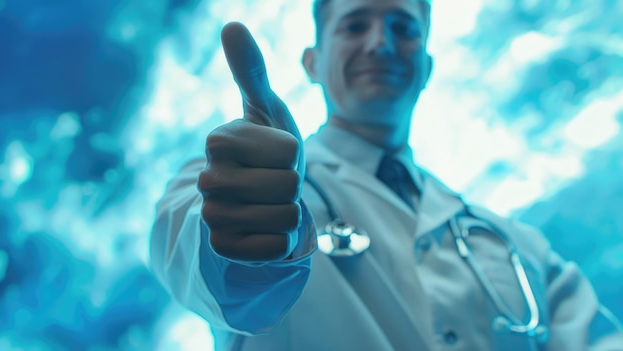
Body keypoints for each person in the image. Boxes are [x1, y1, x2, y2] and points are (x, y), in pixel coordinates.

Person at [149, 0, 623, 349]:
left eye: (404, 27)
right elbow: (189, 242)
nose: (380, 42)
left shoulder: (522, 247)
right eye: (355, 25)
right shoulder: (238, 180)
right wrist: (242, 240)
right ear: (312, 63)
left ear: (427, 68)